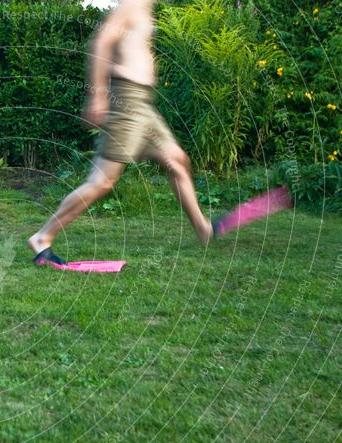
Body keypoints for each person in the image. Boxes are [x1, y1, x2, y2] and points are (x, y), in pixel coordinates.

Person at [29, 0, 215, 267]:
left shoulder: (145, 7)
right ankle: (42, 237)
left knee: (177, 160)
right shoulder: (130, 4)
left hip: (142, 103)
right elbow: (101, 42)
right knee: (102, 181)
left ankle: (202, 228)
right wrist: (98, 97)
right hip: (126, 99)